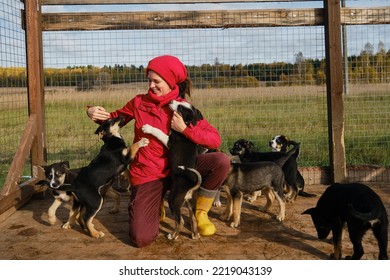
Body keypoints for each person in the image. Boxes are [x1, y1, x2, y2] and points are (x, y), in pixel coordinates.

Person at [86, 55, 230, 248]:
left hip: (180, 168)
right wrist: (92, 112)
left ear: (171, 82)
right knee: (141, 238)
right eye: (149, 80)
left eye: (157, 81)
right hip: (149, 173)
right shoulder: (138, 103)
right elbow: (111, 118)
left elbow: (215, 138)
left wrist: (186, 130)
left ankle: (201, 212)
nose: (151, 85)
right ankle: (155, 203)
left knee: (220, 161)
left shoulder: (183, 108)